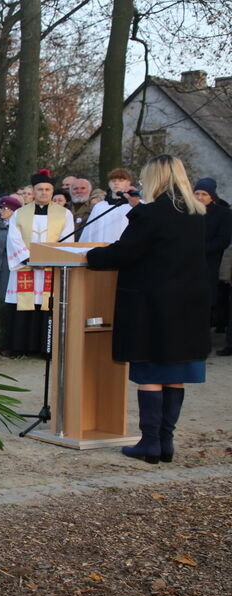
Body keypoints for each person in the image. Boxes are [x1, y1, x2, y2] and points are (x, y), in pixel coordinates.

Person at [87, 155, 208, 465]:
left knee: (151, 371)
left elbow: (126, 252)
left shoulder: (152, 214)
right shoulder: (197, 213)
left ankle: (150, 442)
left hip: (152, 304)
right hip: (188, 304)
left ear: (155, 178)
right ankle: (165, 442)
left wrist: (92, 257)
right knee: (175, 373)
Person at [6, 169, 74, 354]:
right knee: (24, 305)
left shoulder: (64, 215)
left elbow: (67, 240)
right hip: (26, 266)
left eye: (47, 189)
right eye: (40, 189)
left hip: (51, 268)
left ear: (52, 191)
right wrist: (30, 259)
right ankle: (21, 348)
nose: (44, 192)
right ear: (33, 191)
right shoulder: (19, 213)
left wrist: (49, 260)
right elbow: (13, 239)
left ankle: (47, 349)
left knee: (48, 306)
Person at [193, 178, 232, 342]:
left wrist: (198, 249)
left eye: (204, 194)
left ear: (212, 196)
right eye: (197, 193)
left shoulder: (222, 214)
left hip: (208, 265)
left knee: (206, 305)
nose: (200, 197)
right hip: (188, 266)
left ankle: (202, 341)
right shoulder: (188, 213)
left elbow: (222, 241)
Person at [82, 168, 135, 243]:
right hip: (102, 249)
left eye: (120, 180)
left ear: (128, 183)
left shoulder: (136, 205)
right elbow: (89, 232)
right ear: (109, 183)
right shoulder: (100, 207)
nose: (116, 183)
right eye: (113, 181)